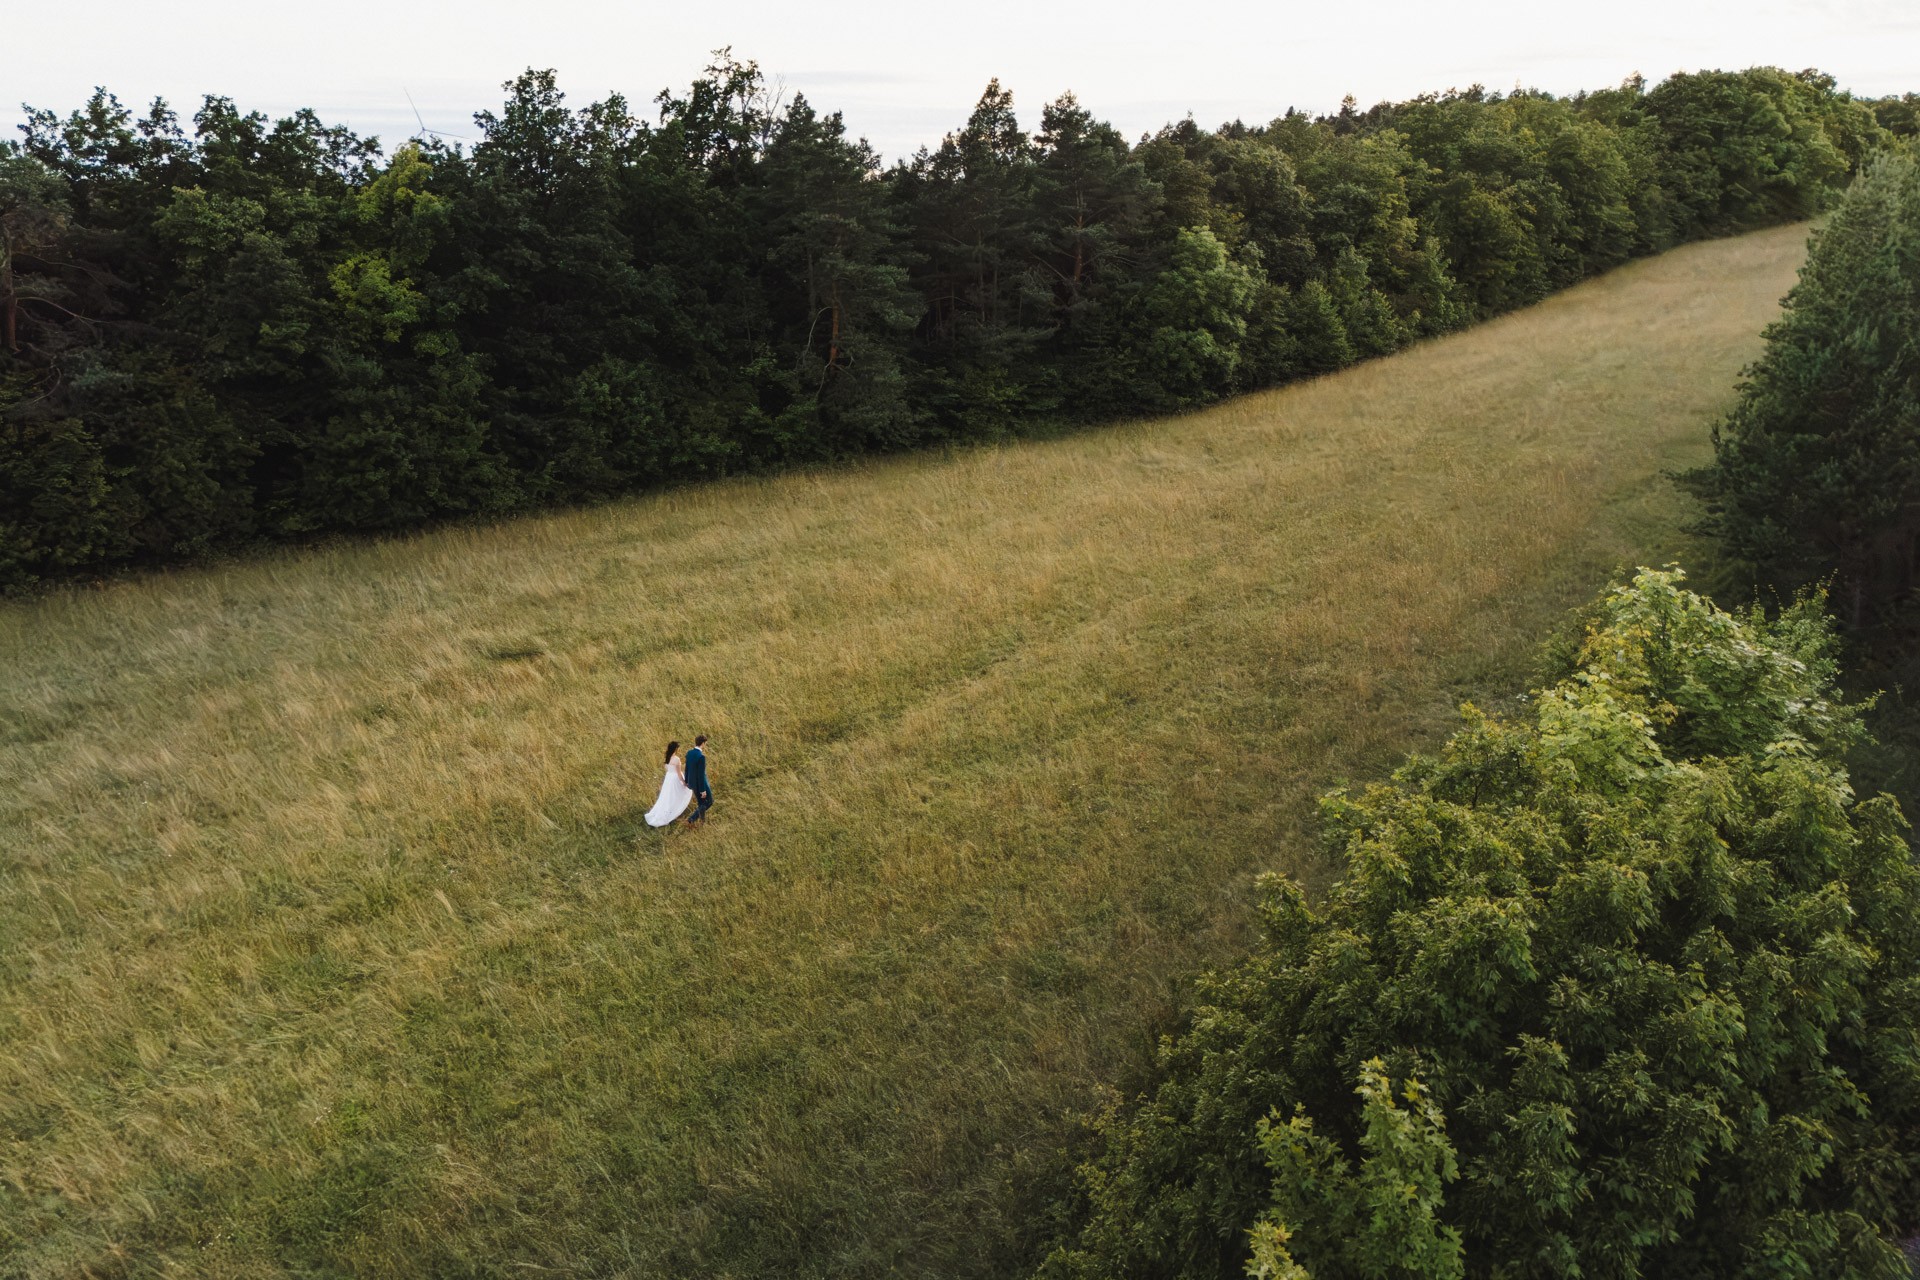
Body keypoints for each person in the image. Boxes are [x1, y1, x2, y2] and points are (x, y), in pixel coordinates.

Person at [644, 740, 694, 828]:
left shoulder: (667, 757)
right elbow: (679, 774)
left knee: (667, 796)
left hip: (668, 778)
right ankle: (675, 811)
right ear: (676, 749)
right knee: (681, 793)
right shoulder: (676, 759)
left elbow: (667, 769)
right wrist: (684, 783)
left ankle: (666, 811)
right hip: (674, 779)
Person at [684, 734, 713, 826]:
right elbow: (701, 775)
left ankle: (702, 821)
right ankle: (692, 819)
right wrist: (703, 790)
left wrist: (686, 781)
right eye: (705, 743)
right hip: (702, 784)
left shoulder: (689, 753)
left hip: (692, 783)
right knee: (710, 801)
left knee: (701, 803)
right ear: (703, 743)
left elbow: (687, 768)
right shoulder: (701, 757)